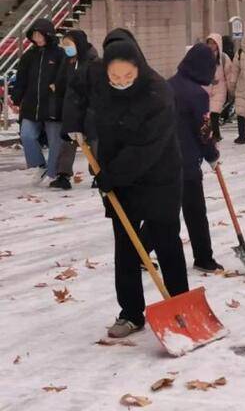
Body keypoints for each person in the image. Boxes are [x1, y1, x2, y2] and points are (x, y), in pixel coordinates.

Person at [69, 29, 189, 338]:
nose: (121, 82)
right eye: (115, 78)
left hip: (159, 175)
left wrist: (111, 175)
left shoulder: (158, 93)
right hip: (118, 176)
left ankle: (181, 305)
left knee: (166, 240)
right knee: (125, 245)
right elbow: (75, 90)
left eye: (128, 77)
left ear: (139, 65)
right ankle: (131, 313)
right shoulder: (96, 75)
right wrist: (73, 122)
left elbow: (146, 148)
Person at [168, 43, 224, 271]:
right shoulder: (196, 94)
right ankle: (203, 257)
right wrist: (212, 155)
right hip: (187, 162)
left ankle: (137, 252)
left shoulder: (168, 84)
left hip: (165, 160)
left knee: (165, 213)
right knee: (196, 212)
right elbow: (203, 131)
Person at [9, 18, 64, 184]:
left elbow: (65, 76)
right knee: (27, 135)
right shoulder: (28, 56)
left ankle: (53, 174)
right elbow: (21, 79)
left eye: (40, 34)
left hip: (53, 105)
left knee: (55, 141)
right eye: (34, 35)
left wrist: (59, 88)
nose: (37, 38)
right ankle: (39, 165)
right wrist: (17, 98)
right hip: (32, 104)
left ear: (48, 34)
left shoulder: (59, 54)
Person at [50, 30, 99, 190]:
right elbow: (62, 83)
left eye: (68, 45)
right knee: (68, 141)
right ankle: (63, 175)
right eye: (63, 45)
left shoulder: (93, 61)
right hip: (71, 108)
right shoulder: (68, 61)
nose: (66, 48)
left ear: (79, 43)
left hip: (90, 108)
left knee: (94, 142)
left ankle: (99, 174)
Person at [205, 33, 232, 142]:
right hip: (207, 87)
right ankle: (209, 133)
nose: (211, 46)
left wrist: (231, 89)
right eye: (209, 43)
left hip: (220, 87)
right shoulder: (204, 56)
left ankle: (216, 134)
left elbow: (229, 74)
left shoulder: (223, 58)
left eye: (213, 43)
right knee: (208, 113)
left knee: (214, 112)